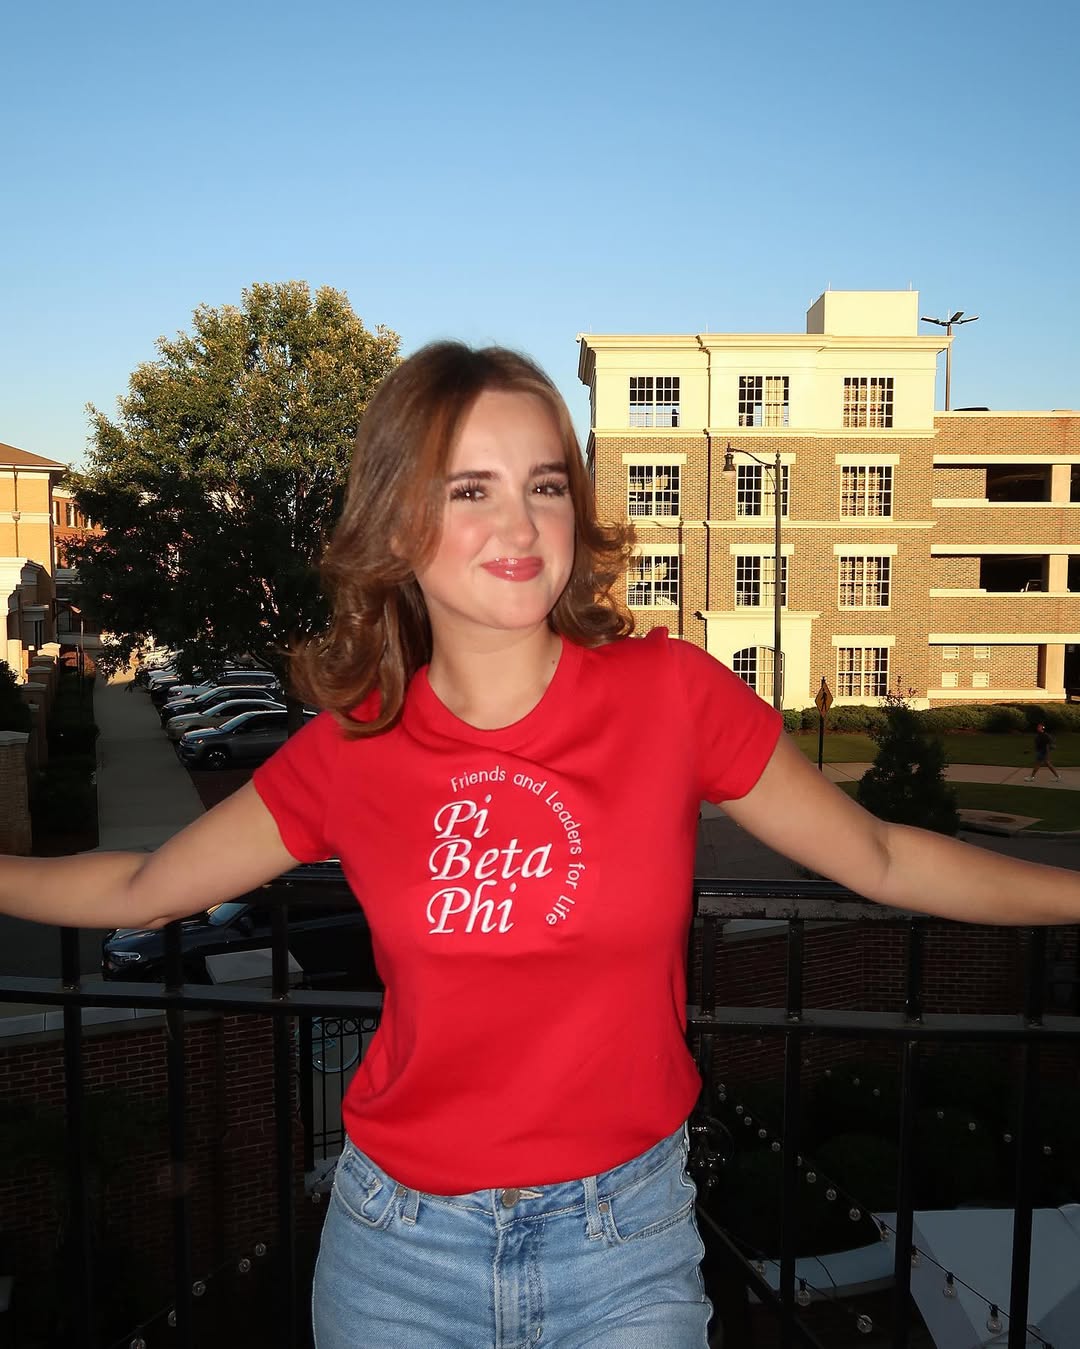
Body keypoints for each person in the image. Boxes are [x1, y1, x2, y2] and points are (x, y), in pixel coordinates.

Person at [3, 342, 1080, 1349]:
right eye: (470, 489)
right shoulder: (353, 747)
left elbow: (882, 857)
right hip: (397, 1256)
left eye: (546, 484)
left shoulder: (670, 696)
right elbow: (144, 884)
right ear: (397, 524)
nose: (519, 524)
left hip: (625, 1248)